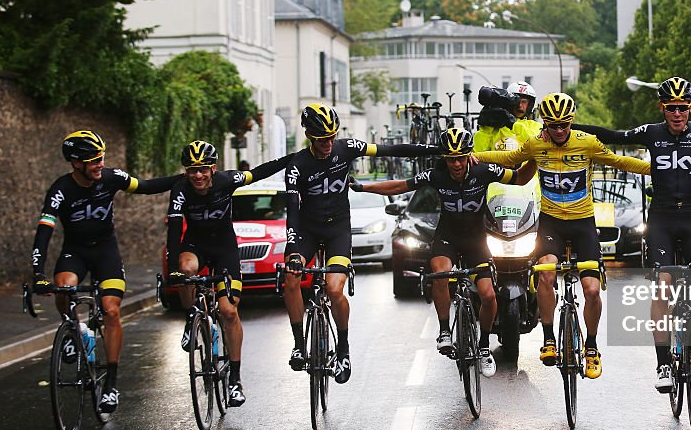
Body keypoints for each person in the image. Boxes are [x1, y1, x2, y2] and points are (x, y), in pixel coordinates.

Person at [574, 77, 691, 391]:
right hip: (661, 220)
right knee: (663, 287)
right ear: (662, 108)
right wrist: (571, 126)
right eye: (671, 108)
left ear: (690, 107)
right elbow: (614, 136)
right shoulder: (652, 132)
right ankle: (663, 363)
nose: (677, 113)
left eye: (682, 107)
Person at [475, 92, 651, 379]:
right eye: (552, 125)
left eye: (564, 125)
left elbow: (621, 163)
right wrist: (471, 157)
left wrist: (657, 170)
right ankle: (547, 338)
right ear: (544, 123)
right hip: (551, 223)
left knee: (592, 290)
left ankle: (591, 348)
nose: (558, 131)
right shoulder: (536, 143)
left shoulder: (587, 143)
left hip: (583, 224)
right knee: (545, 274)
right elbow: (509, 158)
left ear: (571, 122)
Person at [353, 128, 531, 377]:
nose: (456, 164)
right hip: (447, 238)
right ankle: (445, 330)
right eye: (450, 159)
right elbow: (400, 187)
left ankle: (483, 347)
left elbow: (521, 179)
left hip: (476, 241)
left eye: (460, 158)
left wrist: (536, 156)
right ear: (444, 158)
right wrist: (364, 188)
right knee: (440, 273)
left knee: (489, 296)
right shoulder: (436, 175)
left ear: (469, 155)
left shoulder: (484, 171)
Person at [282, 103, 438, 382]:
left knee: (333, 288)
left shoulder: (346, 148)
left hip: (338, 231)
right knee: (291, 278)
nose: (328, 143)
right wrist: (293, 250)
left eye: (332, 136)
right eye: (321, 139)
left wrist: (434, 149)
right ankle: (298, 345)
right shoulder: (297, 165)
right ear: (308, 135)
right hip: (307, 231)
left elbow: (391, 150)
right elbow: (292, 210)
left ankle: (343, 349)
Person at [31, 130, 181, 414]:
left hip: (106, 251)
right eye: (93, 161)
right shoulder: (60, 190)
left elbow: (146, 186)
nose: (100, 164)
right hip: (75, 251)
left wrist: (182, 178)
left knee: (111, 310)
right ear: (76, 164)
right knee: (63, 288)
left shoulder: (111, 177)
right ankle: (76, 330)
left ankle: (111, 384)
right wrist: (37, 272)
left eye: (101, 158)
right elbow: (44, 231)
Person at [167, 140, 292, 406]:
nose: (197, 175)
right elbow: (174, 229)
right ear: (186, 172)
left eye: (202, 169)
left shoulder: (227, 181)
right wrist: (174, 270)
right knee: (186, 269)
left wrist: (290, 159)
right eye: (191, 170)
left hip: (225, 249)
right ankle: (192, 316)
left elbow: (258, 172)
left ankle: (235, 380)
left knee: (228, 311)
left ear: (213, 169)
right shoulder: (180, 189)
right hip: (195, 246)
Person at [473, 81, 541, 152]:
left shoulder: (535, 126)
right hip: (496, 162)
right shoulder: (496, 126)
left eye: (523, 102)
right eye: (516, 101)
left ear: (530, 105)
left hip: (524, 163)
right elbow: (477, 153)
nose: (519, 105)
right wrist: (486, 129)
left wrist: (512, 124)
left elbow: (536, 144)